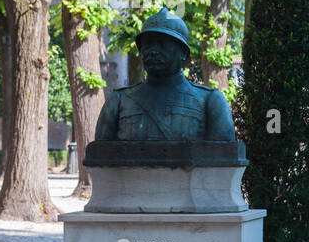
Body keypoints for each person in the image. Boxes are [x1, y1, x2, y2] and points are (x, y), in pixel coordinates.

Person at [95, 9, 235, 143]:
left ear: (183, 53)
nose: (153, 51)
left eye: (163, 44)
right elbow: (100, 157)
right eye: (148, 44)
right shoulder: (119, 100)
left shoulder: (210, 101)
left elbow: (224, 159)